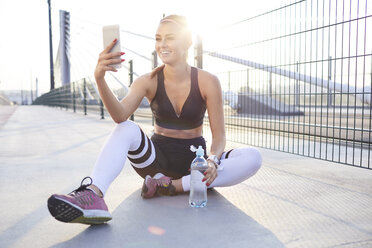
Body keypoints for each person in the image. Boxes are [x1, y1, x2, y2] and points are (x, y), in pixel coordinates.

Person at [47, 15, 262, 225]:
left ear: (187, 41)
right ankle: (93, 195)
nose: (162, 45)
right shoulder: (147, 81)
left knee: (253, 157)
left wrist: (213, 161)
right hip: (155, 164)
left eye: (170, 37)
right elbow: (119, 115)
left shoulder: (208, 81)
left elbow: (219, 136)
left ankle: (172, 186)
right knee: (127, 128)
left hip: (195, 165)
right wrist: (100, 78)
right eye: (158, 39)